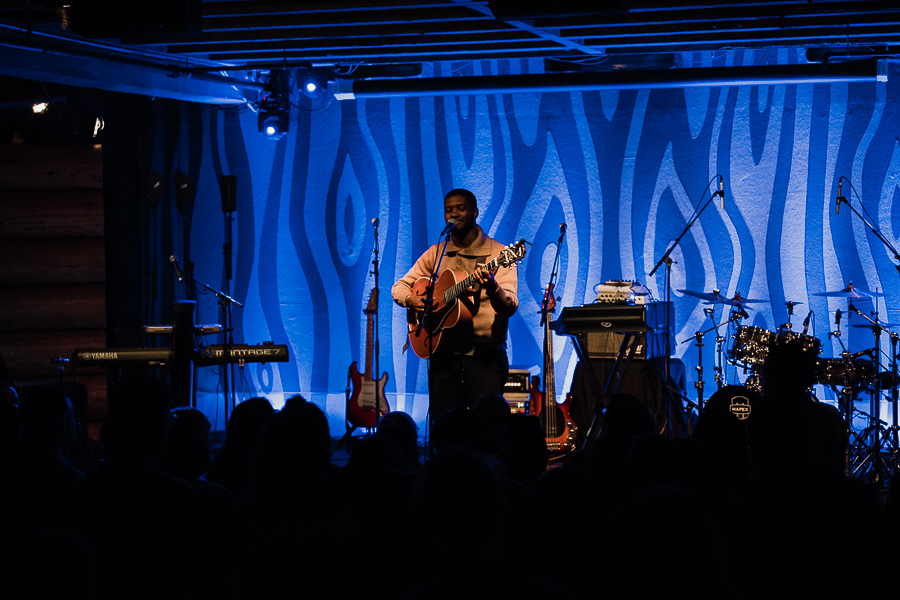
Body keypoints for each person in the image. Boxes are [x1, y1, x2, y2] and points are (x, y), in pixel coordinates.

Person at [392, 188, 518, 420]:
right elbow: (399, 287)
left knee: (485, 431)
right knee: (445, 428)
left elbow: (509, 306)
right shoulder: (437, 253)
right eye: (449, 209)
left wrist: (493, 287)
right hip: (444, 359)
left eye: (461, 208)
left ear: (475, 212)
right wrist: (412, 299)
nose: (454, 214)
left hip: (485, 359)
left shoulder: (499, 254)